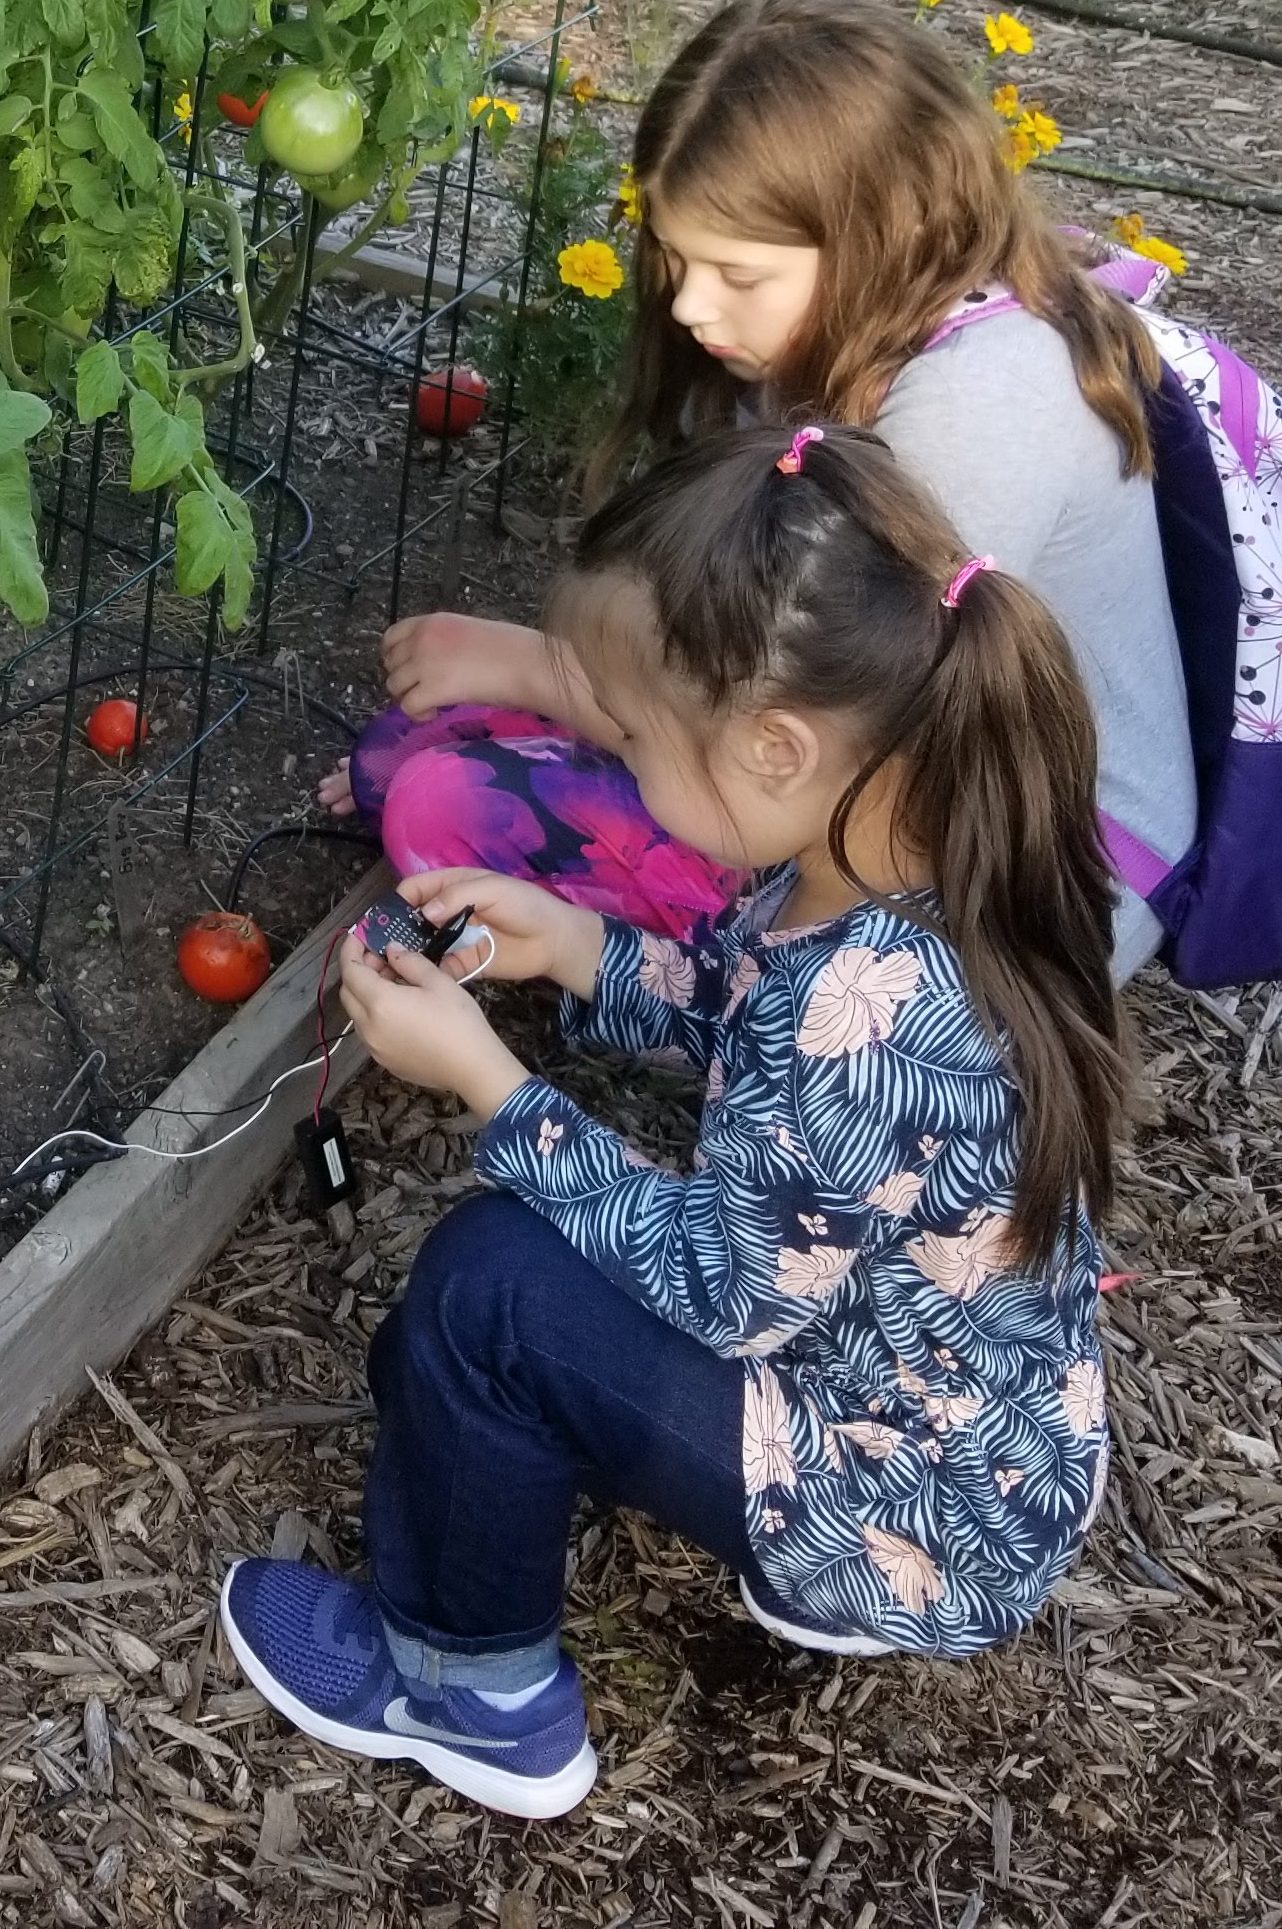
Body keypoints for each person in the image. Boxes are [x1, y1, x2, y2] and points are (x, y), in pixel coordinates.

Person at [222, 425, 1130, 1820]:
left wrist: (492, 1085)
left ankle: (474, 1693)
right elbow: (750, 1017)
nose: (622, 769)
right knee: (508, 1298)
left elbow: (726, 1291)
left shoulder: (874, 1010)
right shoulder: (913, 860)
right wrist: (586, 950)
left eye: (634, 742)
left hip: (908, 1511)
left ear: (774, 748)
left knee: (489, 1295)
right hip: (971, 1436)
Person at [338, 0, 1196, 978]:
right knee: (410, 755)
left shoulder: (977, 413)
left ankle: (725, 1018)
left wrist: (537, 672)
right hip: (854, 779)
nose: (694, 305)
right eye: (673, 257)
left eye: (737, 276)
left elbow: (803, 720)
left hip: (1006, 888)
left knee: (444, 806)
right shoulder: (842, 331)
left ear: (883, 231)